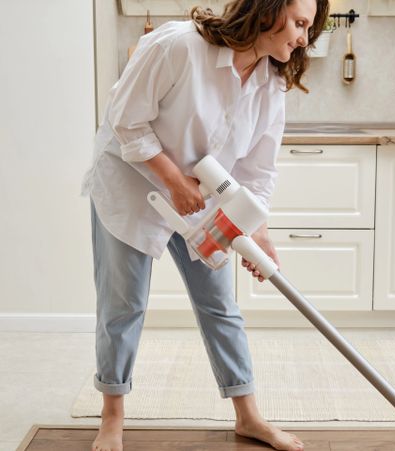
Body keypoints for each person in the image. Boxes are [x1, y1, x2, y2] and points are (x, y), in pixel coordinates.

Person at [81, 0, 330, 450]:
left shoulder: (271, 81)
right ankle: (112, 418)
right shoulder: (179, 46)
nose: (302, 38)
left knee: (220, 304)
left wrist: (257, 232)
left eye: (308, 28)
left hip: (201, 199)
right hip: (132, 188)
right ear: (266, 10)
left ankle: (248, 417)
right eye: (298, 23)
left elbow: (258, 167)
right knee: (124, 305)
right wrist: (173, 179)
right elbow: (124, 118)